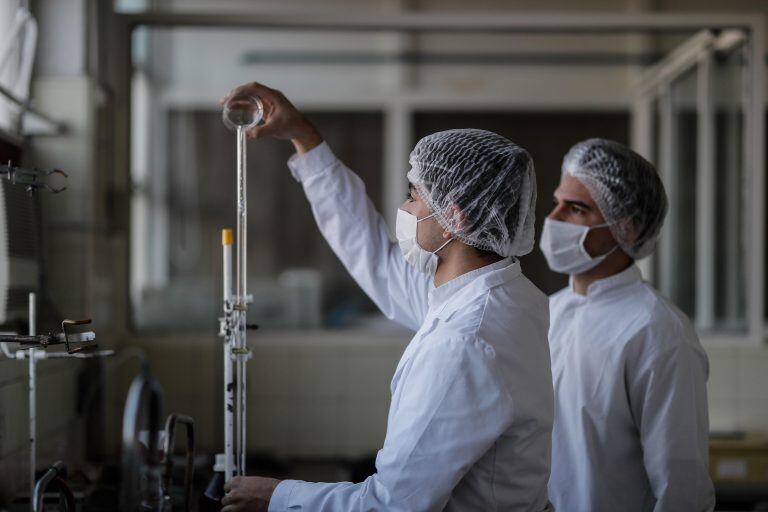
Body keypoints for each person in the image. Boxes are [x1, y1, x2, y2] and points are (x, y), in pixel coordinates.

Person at [218, 82, 554, 512]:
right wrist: (304, 137)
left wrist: (278, 496)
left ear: (454, 217)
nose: (405, 207)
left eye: (414, 195)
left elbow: (391, 505)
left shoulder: (464, 341)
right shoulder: (499, 295)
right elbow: (374, 257)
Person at [540, 138, 715, 512]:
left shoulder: (658, 333)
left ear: (628, 228)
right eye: (557, 203)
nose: (553, 220)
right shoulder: (548, 313)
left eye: (575, 209)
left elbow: (681, 488)